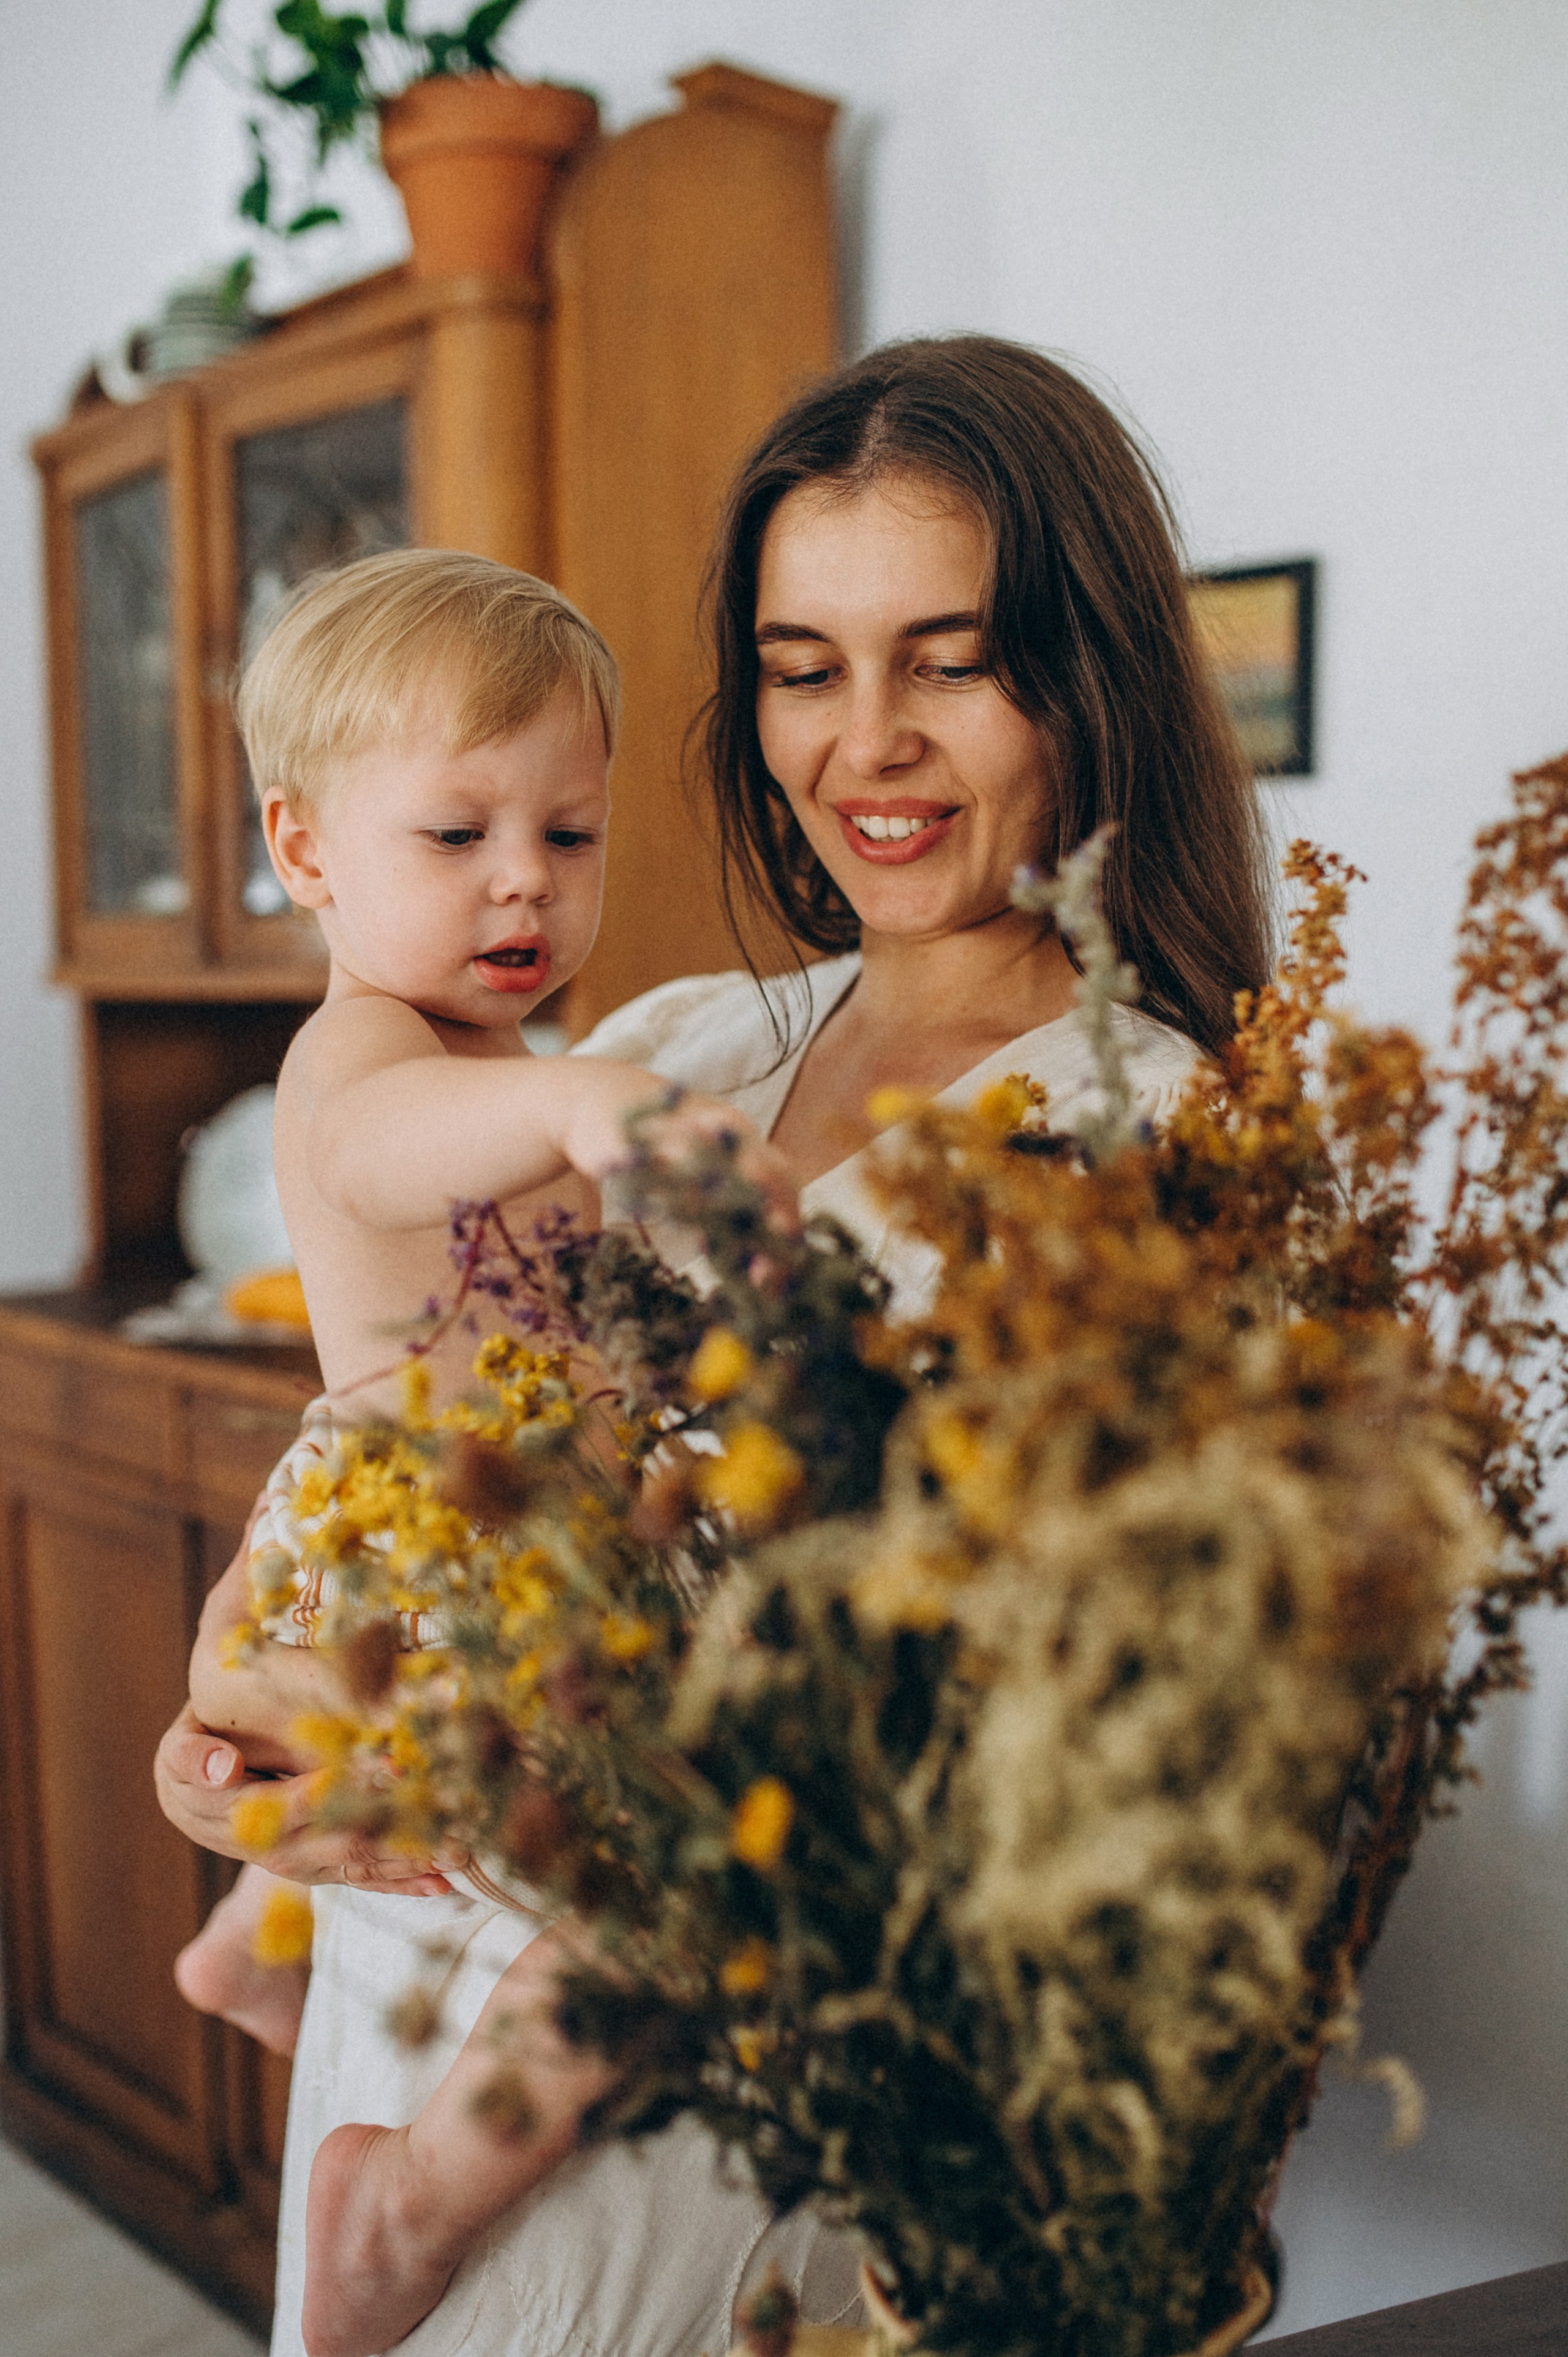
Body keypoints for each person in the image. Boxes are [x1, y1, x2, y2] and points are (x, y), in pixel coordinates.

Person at [156, 333, 1274, 2357]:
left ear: (1088, 674)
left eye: (951, 657)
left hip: (700, 2114)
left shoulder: (1149, 1142)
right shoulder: (674, 1043)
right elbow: (356, 1505)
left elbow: (1025, 1777)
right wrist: (235, 1761)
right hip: (404, 2028)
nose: (869, 743)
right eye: (802, 664)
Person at [168, 545, 799, 2357]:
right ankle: (411, 2204)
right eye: (456, 837)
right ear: (307, 853)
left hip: (442, 1537)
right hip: (429, 1562)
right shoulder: (368, 1056)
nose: (524, 879)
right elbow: (393, 1154)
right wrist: (590, 1101)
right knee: (679, 1900)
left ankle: (250, 1944)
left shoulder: (498, 1044)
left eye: (570, 835)